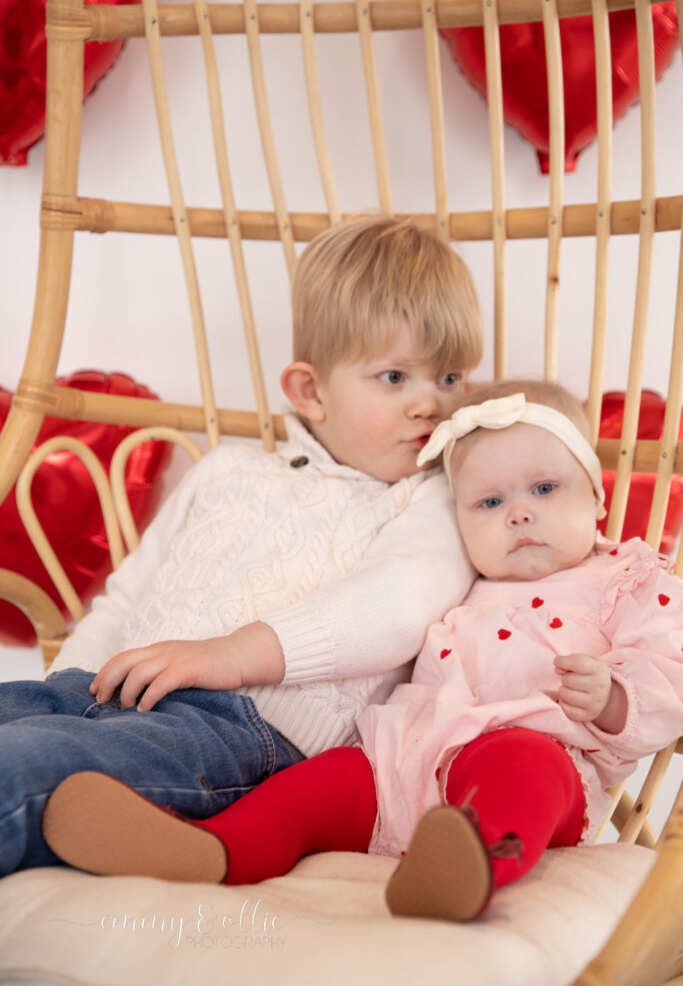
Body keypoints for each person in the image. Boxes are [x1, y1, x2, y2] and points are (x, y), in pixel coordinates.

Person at [43, 379, 683, 920]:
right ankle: (209, 851)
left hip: (547, 753)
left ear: (597, 498)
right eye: (490, 502)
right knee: (318, 785)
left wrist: (615, 697)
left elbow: (673, 672)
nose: (518, 514)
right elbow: (382, 613)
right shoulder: (457, 572)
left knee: (520, 766)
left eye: (544, 490)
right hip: (407, 759)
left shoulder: (628, 580)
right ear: (459, 517)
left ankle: (473, 862)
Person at [0, 215, 484, 879]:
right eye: (395, 378)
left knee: (22, 771)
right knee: (18, 716)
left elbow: (396, 606)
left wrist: (231, 655)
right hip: (104, 692)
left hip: (239, 733)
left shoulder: (433, 499)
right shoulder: (226, 472)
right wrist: (75, 683)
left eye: (451, 378)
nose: (429, 404)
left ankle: (107, 807)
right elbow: (127, 595)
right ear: (310, 391)